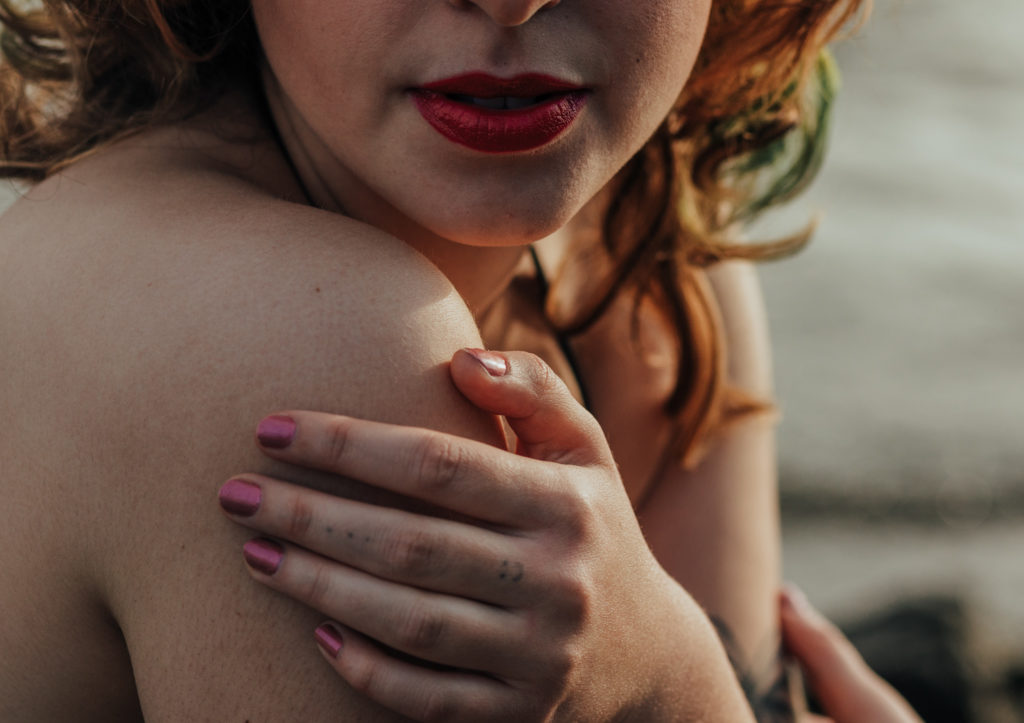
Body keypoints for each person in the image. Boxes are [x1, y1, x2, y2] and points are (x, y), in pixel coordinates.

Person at [0, 0, 918, 720]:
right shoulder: (292, 335)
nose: (512, 3)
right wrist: (669, 682)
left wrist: (666, 665)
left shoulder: (656, 275)